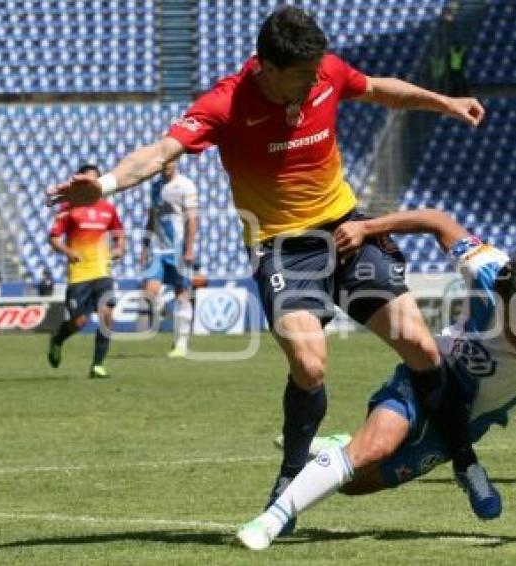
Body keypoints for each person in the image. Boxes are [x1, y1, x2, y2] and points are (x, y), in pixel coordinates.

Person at [46, 5, 491, 528]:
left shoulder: (323, 70)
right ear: (266, 67)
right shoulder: (225, 102)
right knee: (310, 364)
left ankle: (465, 460)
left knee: (419, 345)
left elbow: (378, 88)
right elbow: (161, 149)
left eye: (315, 74)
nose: (312, 85)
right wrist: (103, 187)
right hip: (282, 246)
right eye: (301, 77)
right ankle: (292, 472)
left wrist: (445, 103)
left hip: (345, 228)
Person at [235, 209, 516, 550]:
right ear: (499, 296)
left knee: (353, 485)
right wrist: (366, 227)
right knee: (373, 449)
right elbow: (438, 221)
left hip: (468, 419)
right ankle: (269, 521)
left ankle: (342, 446)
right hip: (429, 377)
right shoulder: (487, 269)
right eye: (515, 317)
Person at [47, 164, 125, 378]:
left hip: (102, 271)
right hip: (79, 273)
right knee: (79, 321)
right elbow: (53, 238)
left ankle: (97, 365)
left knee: (107, 315)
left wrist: (119, 248)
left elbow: (119, 233)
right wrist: (68, 252)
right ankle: (58, 339)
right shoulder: (68, 208)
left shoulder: (108, 208)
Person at [140, 158, 198, 358]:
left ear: (176, 162)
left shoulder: (185, 185)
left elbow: (192, 219)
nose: (166, 167)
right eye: (163, 163)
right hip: (158, 249)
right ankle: (161, 309)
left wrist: (189, 249)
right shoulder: (155, 186)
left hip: (177, 249)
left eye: (170, 162)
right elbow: (151, 217)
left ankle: (181, 344)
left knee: (181, 293)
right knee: (149, 292)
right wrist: (145, 247)